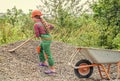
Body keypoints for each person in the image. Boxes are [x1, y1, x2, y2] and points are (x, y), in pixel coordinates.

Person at [31, 10, 56, 75]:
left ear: (34, 17)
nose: (32, 19)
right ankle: (43, 62)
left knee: (47, 54)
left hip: (46, 40)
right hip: (48, 38)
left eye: (32, 17)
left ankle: (52, 69)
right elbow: (53, 26)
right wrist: (46, 30)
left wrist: (37, 34)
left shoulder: (36, 25)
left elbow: (37, 35)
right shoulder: (43, 22)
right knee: (39, 48)